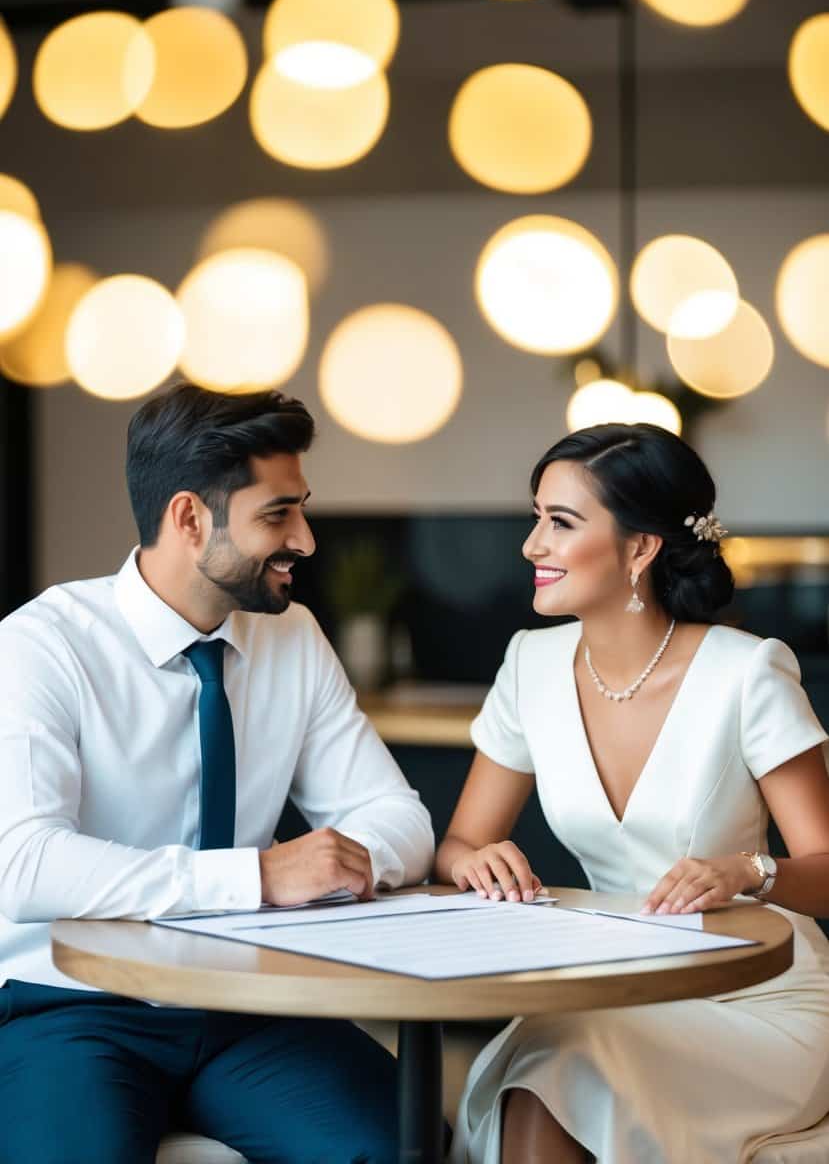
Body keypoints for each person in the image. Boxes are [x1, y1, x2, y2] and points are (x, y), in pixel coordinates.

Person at [0, 383, 434, 1164]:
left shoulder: (292, 637)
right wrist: (257, 878)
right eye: (278, 514)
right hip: (71, 1005)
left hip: (247, 1005)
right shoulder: (41, 645)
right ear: (190, 518)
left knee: (399, 1146)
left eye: (300, 507)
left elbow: (398, 819)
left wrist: (343, 859)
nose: (304, 538)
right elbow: (24, 865)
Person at [436, 422, 829, 1164]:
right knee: (556, 1051)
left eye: (560, 522)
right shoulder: (529, 663)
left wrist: (749, 871)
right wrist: (473, 864)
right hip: (616, 990)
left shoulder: (747, 673)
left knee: (555, 1058)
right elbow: (459, 843)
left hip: (757, 998)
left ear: (640, 548)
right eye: (535, 518)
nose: (531, 546)